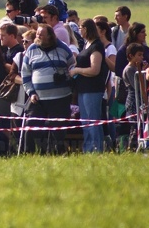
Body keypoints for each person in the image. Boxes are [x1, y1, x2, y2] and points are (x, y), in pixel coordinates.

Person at [22, 24, 75, 154]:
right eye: (37, 34)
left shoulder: (63, 48)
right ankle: (30, 154)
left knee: (58, 131)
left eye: (41, 34)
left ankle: (58, 154)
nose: (38, 36)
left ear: (50, 36)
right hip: (37, 99)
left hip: (60, 98)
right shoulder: (31, 49)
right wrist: (31, 92)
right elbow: (25, 74)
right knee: (31, 126)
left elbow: (73, 65)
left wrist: (68, 76)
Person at [69, 19, 109, 153]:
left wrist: (76, 70)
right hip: (83, 89)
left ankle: (96, 149)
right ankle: (88, 149)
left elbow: (94, 70)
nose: (79, 30)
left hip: (93, 89)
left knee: (92, 121)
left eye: (81, 27)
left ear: (86, 29)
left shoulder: (96, 46)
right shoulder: (87, 44)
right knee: (85, 122)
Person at [122, 43, 145, 149]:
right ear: (131, 56)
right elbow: (137, 86)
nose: (141, 57)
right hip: (133, 100)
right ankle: (132, 148)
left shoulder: (137, 68)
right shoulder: (129, 69)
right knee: (135, 126)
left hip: (140, 99)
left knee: (141, 126)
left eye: (142, 55)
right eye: (139, 55)